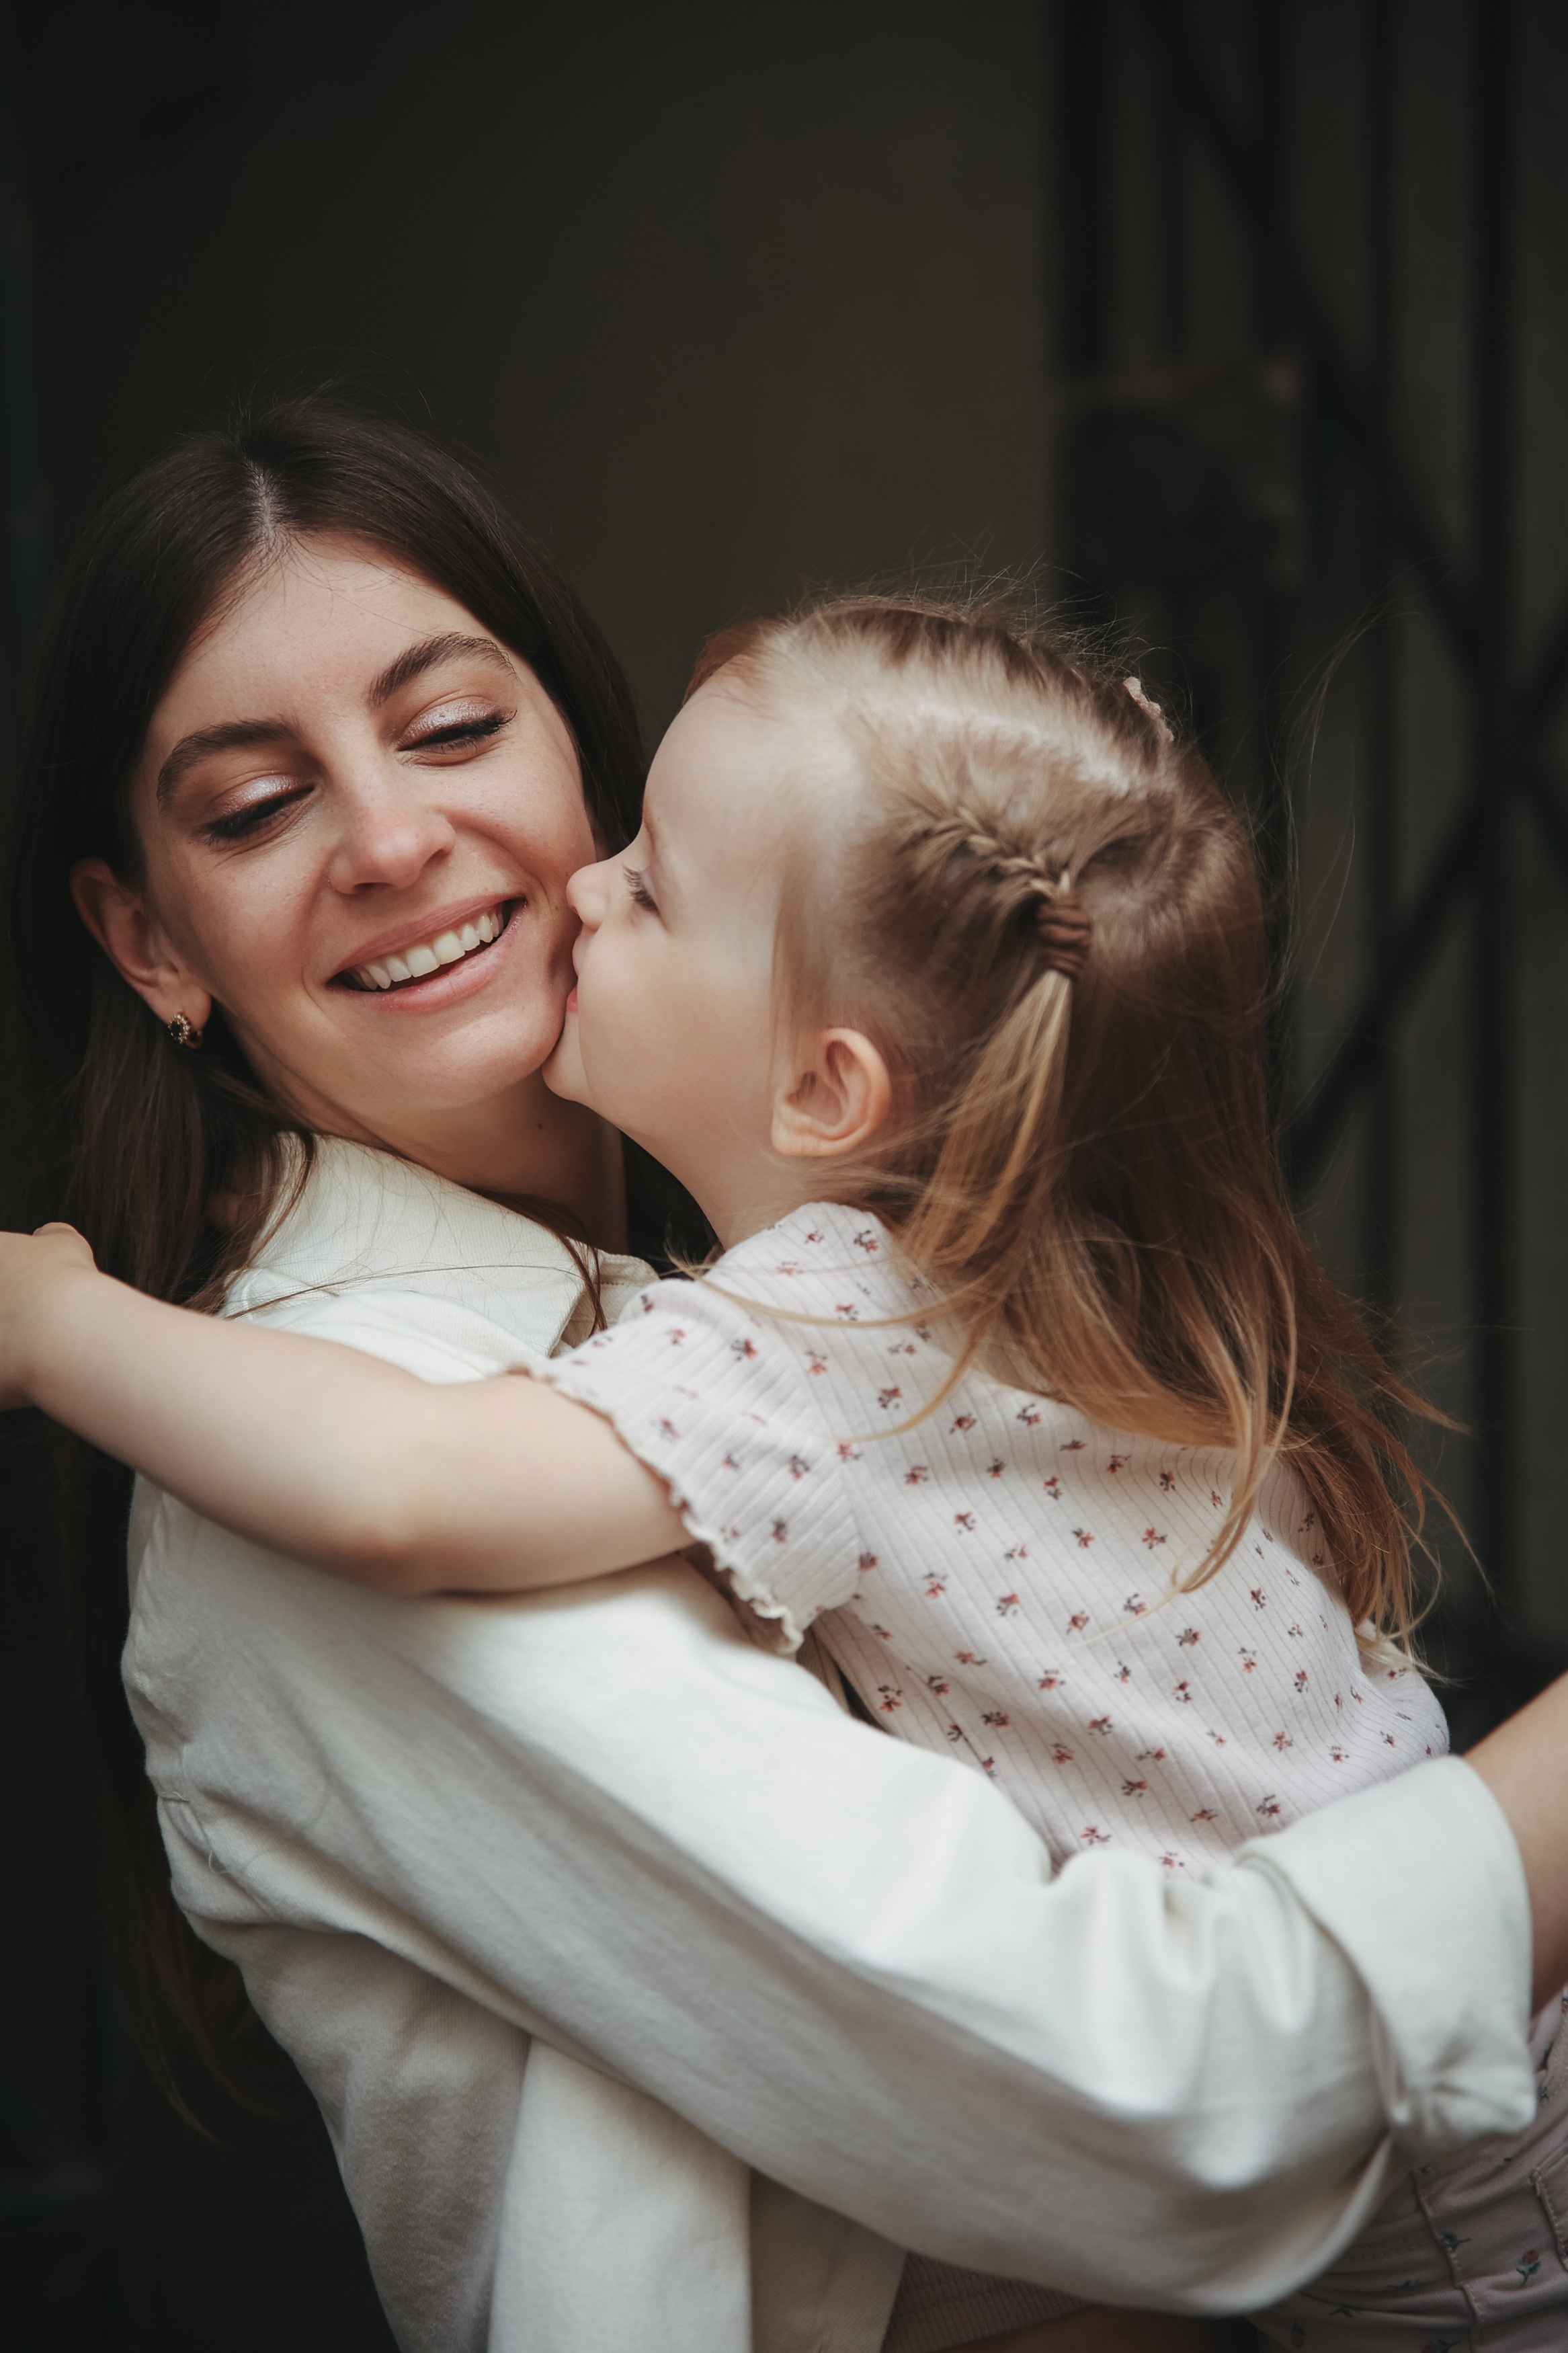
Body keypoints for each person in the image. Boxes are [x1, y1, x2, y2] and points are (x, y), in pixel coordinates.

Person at [3, 397, 1562, 2353]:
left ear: (590, 760)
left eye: (455, 725)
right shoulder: (300, 1448)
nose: (394, 839)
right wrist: (51, 1316)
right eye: (252, 805)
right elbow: (1157, 2101)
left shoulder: (816, 1280)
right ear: (149, 941)